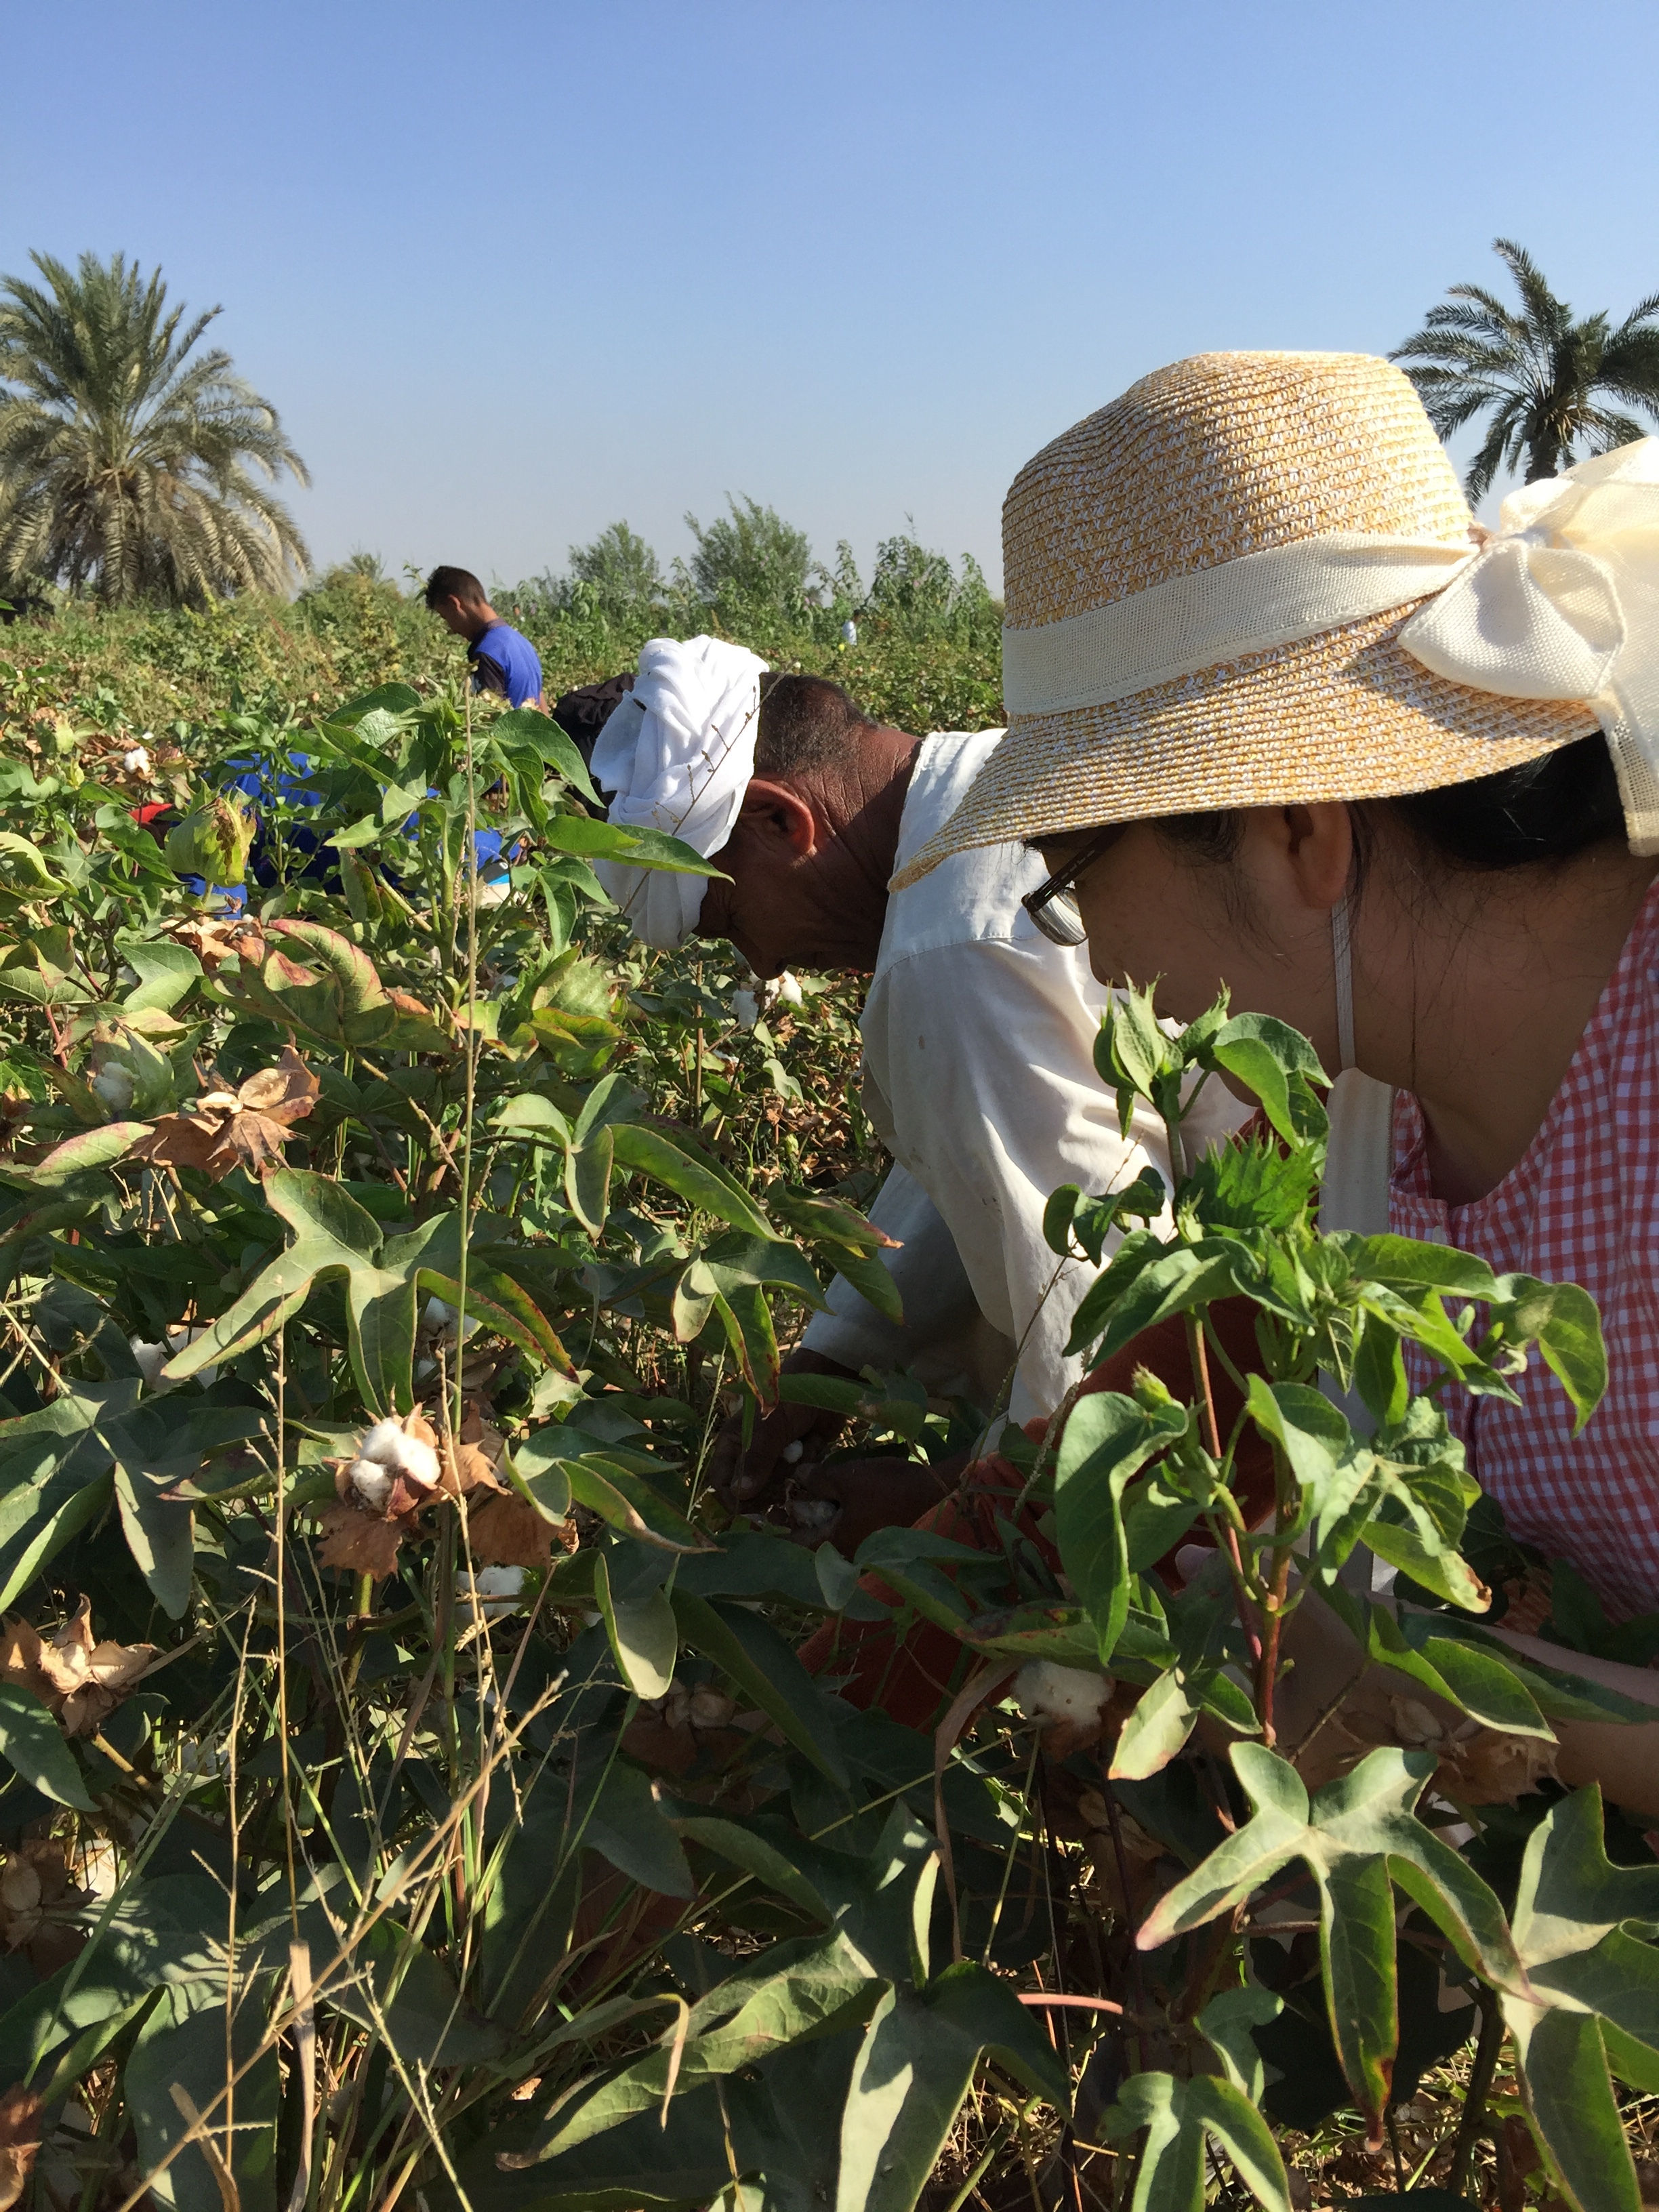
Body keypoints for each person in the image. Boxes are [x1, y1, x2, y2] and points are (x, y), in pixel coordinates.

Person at [881, 346, 1659, 1807]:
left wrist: (1433, 1680)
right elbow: (1200, 1378)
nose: (1091, 953)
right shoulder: (1370, 1097)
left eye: (1074, 877)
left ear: (1299, 832)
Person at [583, 633, 1246, 1547]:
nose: (763, 963)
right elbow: (983, 1156)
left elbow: (1095, 1319)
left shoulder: (951, 952)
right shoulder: (987, 781)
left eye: (731, 920)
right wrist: (835, 1355)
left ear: (783, 821)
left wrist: (954, 1509)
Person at [424, 566, 544, 709]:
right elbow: (543, 714)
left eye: (446, 617)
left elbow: (488, 721)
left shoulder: (487, 652)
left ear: (454, 604)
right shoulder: (523, 643)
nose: (452, 630)